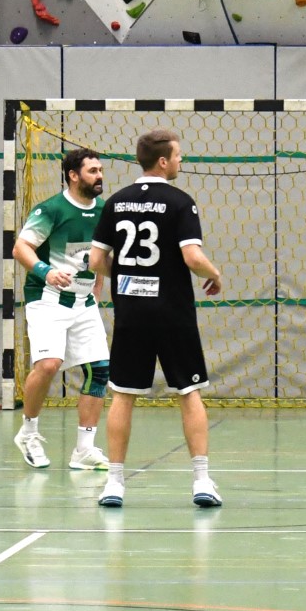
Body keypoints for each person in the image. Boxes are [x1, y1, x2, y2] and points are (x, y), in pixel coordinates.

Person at [88, 129, 225, 508]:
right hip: (173, 314)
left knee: (123, 395)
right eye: (178, 155)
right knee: (189, 393)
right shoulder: (180, 202)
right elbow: (192, 258)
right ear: (163, 161)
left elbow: (96, 261)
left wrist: (129, 275)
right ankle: (201, 481)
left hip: (131, 314)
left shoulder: (116, 202)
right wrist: (214, 274)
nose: (181, 161)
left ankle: (114, 484)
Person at [11, 148, 112, 471]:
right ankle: (28, 432)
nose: (99, 176)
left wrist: (99, 284)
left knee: (99, 370)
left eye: (100, 170)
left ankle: (84, 450)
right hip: (48, 298)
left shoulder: (105, 211)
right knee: (49, 364)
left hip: (84, 302)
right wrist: (47, 272)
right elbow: (21, 248)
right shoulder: (51, 209)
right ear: (73, 175)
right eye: (93, 171)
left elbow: (99, 255)